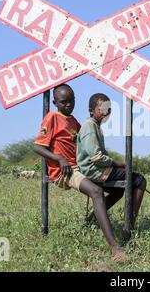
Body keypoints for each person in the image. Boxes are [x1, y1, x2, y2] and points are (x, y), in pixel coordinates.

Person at [33, 84, 127, 262]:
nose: (68, 105)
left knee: (118, 189)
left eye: (71, 101)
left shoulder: (74, 122)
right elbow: (37, 147)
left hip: (79, 168)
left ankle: (93, 218)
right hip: (64, 171)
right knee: (96, 192)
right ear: (55, 102)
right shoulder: (52, 117)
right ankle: (115, 249)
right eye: (64, 102)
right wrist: (60, 159)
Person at [77, 93, 147, 230]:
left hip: (96, 169)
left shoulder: (95, 126)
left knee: (118, 191)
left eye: (108, 110)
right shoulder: (90, 127)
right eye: (101, 110)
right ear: (91, 111)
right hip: (94, 171)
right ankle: (130, 226)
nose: (106, 113)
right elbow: (96, 157)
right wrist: (118, 164)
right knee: (140, 180)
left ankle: (93, 219)